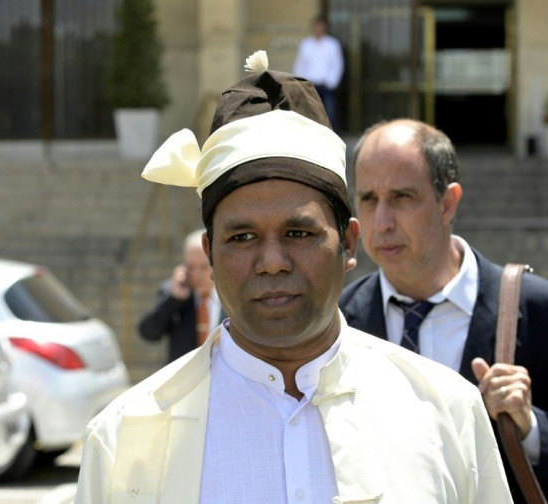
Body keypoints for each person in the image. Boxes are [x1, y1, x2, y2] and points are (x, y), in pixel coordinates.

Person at [74, 52, 513, 504]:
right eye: (242, 237)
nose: (272, 262)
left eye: (299, 233)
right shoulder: (126, 438)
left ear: (348, 245)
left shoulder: (446, 411)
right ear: (209, 254)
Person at [339, 118, 548, 503]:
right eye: (368, 199)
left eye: (402, 197)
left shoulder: (543, 311)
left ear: (448, 202)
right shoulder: (338, 320)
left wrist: (529, 426)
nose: (382, 222)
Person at [138, 229, 223, 363]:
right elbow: (149, 333)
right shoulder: (173, 293)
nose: (197, 274)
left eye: (204, 267)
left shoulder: (232, 295)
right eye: (191, 267)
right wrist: (173, 299)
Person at [293, 15, 344, 132]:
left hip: (326, 86)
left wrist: (332, 82)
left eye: (320, 26)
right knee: (309, 115)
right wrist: (301, 82)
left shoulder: (332, 44)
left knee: (329, 116)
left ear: (324, 27)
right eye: (316, 26)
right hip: (310, 86)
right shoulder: (306, 44)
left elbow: (337, 64)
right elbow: (300, 64)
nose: (318, 29)